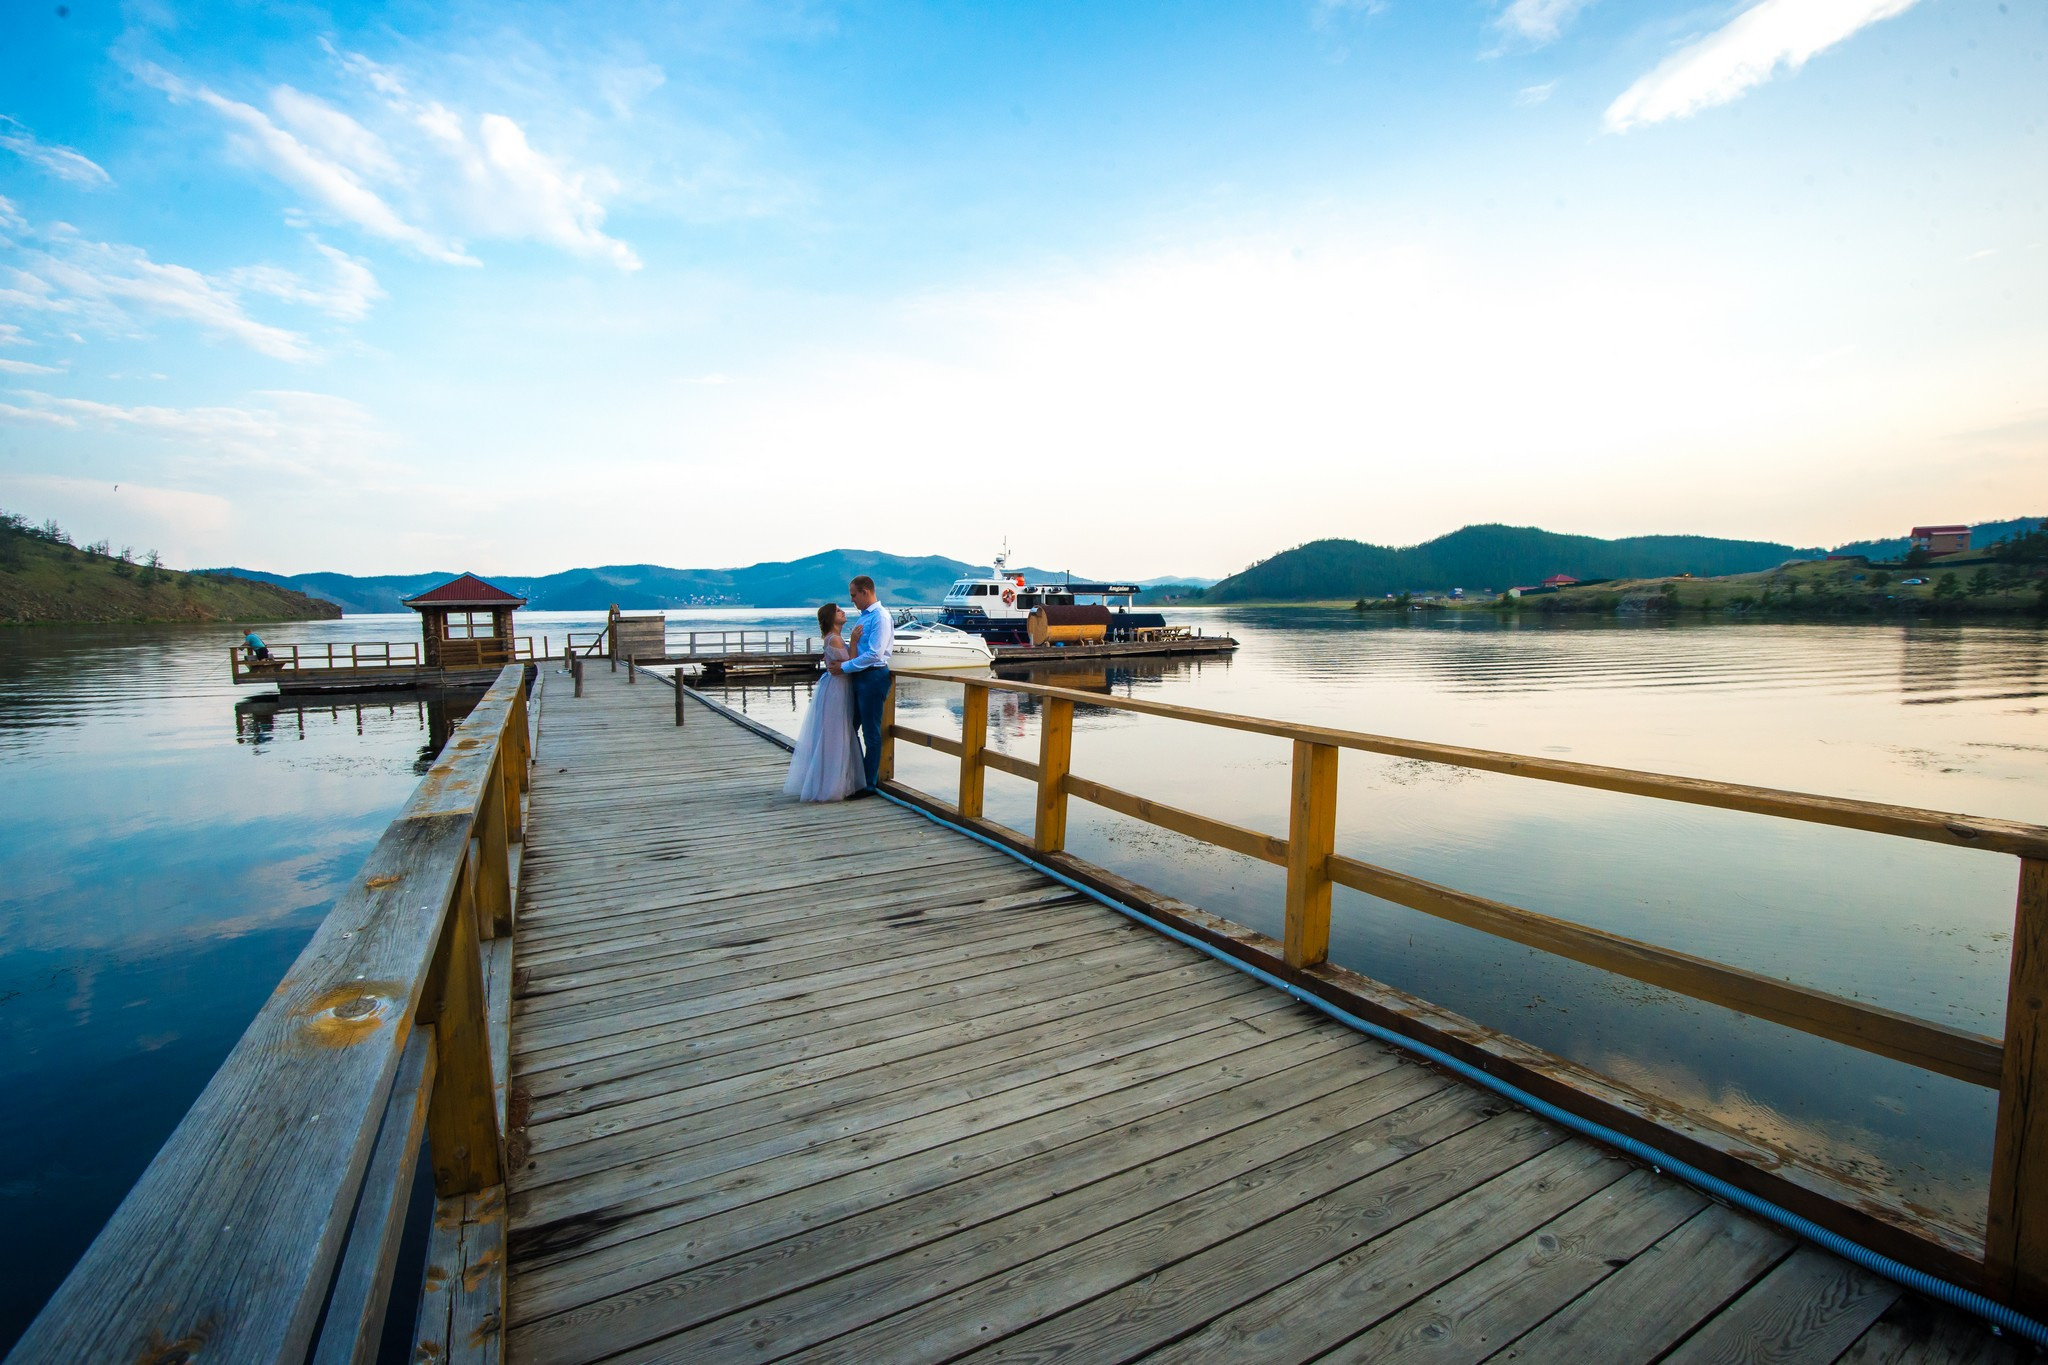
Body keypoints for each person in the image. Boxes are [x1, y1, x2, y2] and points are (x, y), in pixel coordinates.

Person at [783, 603, 867, 802]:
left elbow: (844, 664)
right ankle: (832, 784)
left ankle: (837, 779)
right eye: (838, 610)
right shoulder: (835, 639)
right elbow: (850, 665)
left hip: (837, 686)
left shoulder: (833, 638)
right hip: (837, 688)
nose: (843, 611)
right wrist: (854, 643)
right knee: (836, 733)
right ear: (831, 617)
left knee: (837, 732)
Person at [830, 574, 894, 796]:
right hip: (860, 676)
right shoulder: (863, 618)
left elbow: (875, 653)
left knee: (871, 732)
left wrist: (845, 667)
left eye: (853, 595)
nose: (852, 600)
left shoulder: (880, 618)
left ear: (865, 592)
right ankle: (855, 774)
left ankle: (868, 783)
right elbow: (858, 648)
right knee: (850, 726)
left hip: (873, 676)